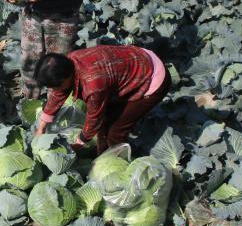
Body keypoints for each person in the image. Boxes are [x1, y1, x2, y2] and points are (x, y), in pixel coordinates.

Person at [33, 46, 171, 154]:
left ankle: (118, 163)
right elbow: (59, 93)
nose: (54, 90)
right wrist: (41, 127)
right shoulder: (70, 61)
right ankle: (102, 154)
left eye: (55, 86)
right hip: (136, 61)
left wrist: (80, 142)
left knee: (115, 132)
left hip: (152, 78)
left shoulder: (93, 86)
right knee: (106, 122)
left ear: (65, 78)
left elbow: (95, 118)